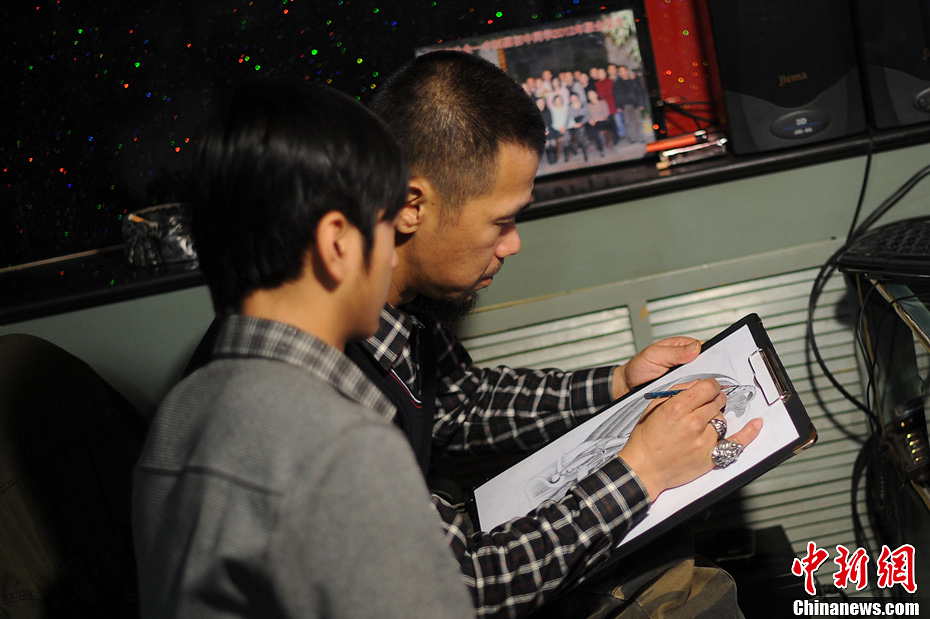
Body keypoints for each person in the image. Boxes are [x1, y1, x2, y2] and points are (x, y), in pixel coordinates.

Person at [362, 50, 762, 618]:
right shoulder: (324, 380)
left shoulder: (405, 308)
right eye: (500, 221)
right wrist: (640, 473)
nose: (513, 244)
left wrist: (620, 384)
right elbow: (463, 587)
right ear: (411, 205)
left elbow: (460, 402)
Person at [132, 81, 474, 619]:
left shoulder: (182, 406)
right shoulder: (343, 447)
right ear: (337, 243)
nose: (391, 259)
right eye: (386, 228)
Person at [614, 65, 648, 144]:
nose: (622, 73)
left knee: (638, 121)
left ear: (627, 71)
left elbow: (640, 92)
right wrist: (619, 106)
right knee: (628, 122)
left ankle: (641, 137)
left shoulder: (633, 79)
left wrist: (641, 104)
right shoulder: (617, 83)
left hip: (636, 104)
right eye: (620, 71)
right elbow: (617, 95)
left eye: (623, 70)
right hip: (625, 105)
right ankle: (632, 138)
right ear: (619, 73)